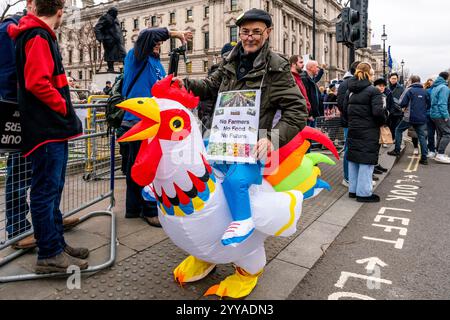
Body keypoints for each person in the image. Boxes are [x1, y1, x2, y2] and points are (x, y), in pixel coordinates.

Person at [176, 8, 308, 246]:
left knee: (236, 182)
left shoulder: (277, 68)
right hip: (223, 139)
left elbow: (297, 112)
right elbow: (209, 86)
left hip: (252, 147)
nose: (249, 37)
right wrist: (184, 85)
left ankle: (244, 226)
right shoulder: (229, 61)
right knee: (192, 160)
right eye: (245, 31)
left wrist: (271, 139)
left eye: (256, 32)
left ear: (267, 33)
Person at [8, 0, 87, 273]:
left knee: (50, 191)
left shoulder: (33, 34)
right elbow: (37, 81)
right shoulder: (39, 35)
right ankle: (50, 253)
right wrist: (64, 107)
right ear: (59, 11)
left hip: (45, 129)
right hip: (47, 129)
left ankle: (55, 243)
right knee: (45, 191)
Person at [121, 27, 192, 227]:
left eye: (160, 44)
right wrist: (175, 34)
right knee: (146, 166)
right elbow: (147, 35)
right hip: (139, 121)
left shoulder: (156, 63)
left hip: (154, 121)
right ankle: (149, 210)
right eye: (156, 43)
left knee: (137, 165)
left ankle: (134, 209)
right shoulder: (137, 56)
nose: (159, 45)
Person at [343, 62, 385, 203]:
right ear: (369, 74)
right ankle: (364, 193)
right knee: (366, 162)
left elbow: (344, 109)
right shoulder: (373, 91)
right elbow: (378, 113)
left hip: (354, 128)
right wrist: (384, 120)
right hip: (368, 130)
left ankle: (353, 190)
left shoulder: (350, 90)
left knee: (354, 159)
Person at [387, 76, 430, 165]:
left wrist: (403, 108)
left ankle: (397, 150)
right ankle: (424, 158)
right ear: (419, 81)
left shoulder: (409, 90)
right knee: (422, 136)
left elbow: (401, 103)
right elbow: (429, 104)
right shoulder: (425, 91)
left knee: (398, 130)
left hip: (409, 117)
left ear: (411, 81)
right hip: (421, 117)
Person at [337, 60, 360, 187]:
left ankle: (354, 177)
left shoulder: (353, 83)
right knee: (348, 149)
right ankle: (347, 178)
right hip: (349, 122)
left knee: (353, 149)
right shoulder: (346, 84)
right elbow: (341, 104)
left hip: (353, 122)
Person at [94, 7, 126, 73]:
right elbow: (97, 28)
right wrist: (101, 38)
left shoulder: (115, 18)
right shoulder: (105, 17)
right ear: (112, 12)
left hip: (117, 39)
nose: (117, 14)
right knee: (110, 54)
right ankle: (110, 68)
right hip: (110, 40)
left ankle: (127, 68)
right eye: (116, 13)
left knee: (123, 54)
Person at [430, 71, 450, 163]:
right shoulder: (444, 88)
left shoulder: (435, 87)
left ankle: (438, 152)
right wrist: (446, 115)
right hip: (440, 114)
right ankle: (440, 154)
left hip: (433, 114)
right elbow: (442, 103)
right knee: (447, 133)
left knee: (440, 134)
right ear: (447, 77)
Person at [301, 60, 325, 127]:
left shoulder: (311, 79)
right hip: (309, 116)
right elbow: (305, 98)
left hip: (312, 115)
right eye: (317, 67)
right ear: (310, 68)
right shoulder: (304, 79)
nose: (318, 69)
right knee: (274, 134)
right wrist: (309, 114)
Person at [387, 73, 405, 141]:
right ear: (389, 79)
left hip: (397, 111)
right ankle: (389, 139)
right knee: (389, 126)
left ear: (397, 79)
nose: (393, 80)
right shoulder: (387, 87)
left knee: (396, 127)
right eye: (392, 78)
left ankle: (395, 140)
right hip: (388, 110)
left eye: (395, 78)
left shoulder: (401, 88)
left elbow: (403, 99)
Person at [423, 78, 436, 158]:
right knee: (436, 133)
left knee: (430, 132)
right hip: (436, 114)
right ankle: (434, 149)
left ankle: (431, 149)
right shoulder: (442, 89)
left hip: (428, 113)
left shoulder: (426, 91)